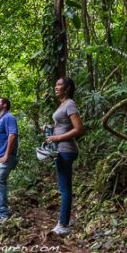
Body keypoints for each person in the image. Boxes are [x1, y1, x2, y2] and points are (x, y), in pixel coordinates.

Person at [45, 77, 84, 236]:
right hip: (61, 150)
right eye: (56, 84)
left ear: (67, 88)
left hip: (66, 150)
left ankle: (63, 225)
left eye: (59, 84)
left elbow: (79, 129)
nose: (56, 87)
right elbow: (62, 126)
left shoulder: (70, 104)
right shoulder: (62, 105)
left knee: (64, 188)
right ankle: (65, 219)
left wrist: (57, 138)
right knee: (64, 187)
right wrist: (50, 128)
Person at [0, 97, 18, 222]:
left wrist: (6, 154)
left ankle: (3, 214)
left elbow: (12, 135)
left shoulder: (9, 118)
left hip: (5, 157)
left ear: (5, 105)